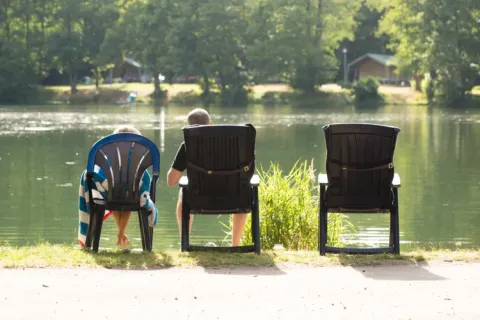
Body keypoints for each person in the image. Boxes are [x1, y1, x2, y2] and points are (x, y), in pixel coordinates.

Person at [166, 108, 249, 246]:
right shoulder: (236, 145)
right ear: (210, 123)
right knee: (244, 190)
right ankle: (235, 245)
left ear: (189, 127)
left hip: (199, 198)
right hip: (234, 197)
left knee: (183, 193)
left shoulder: (187, 145)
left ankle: (184, 242)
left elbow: (171, 181)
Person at [77, 126, 158, 248]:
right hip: (133, 196)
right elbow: (145, 184)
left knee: (112, 190)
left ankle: (120, 234)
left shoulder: (108, 161)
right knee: (130, 192)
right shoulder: (138, 162)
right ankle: (121, 235)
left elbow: (96, 176)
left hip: (110, 194)